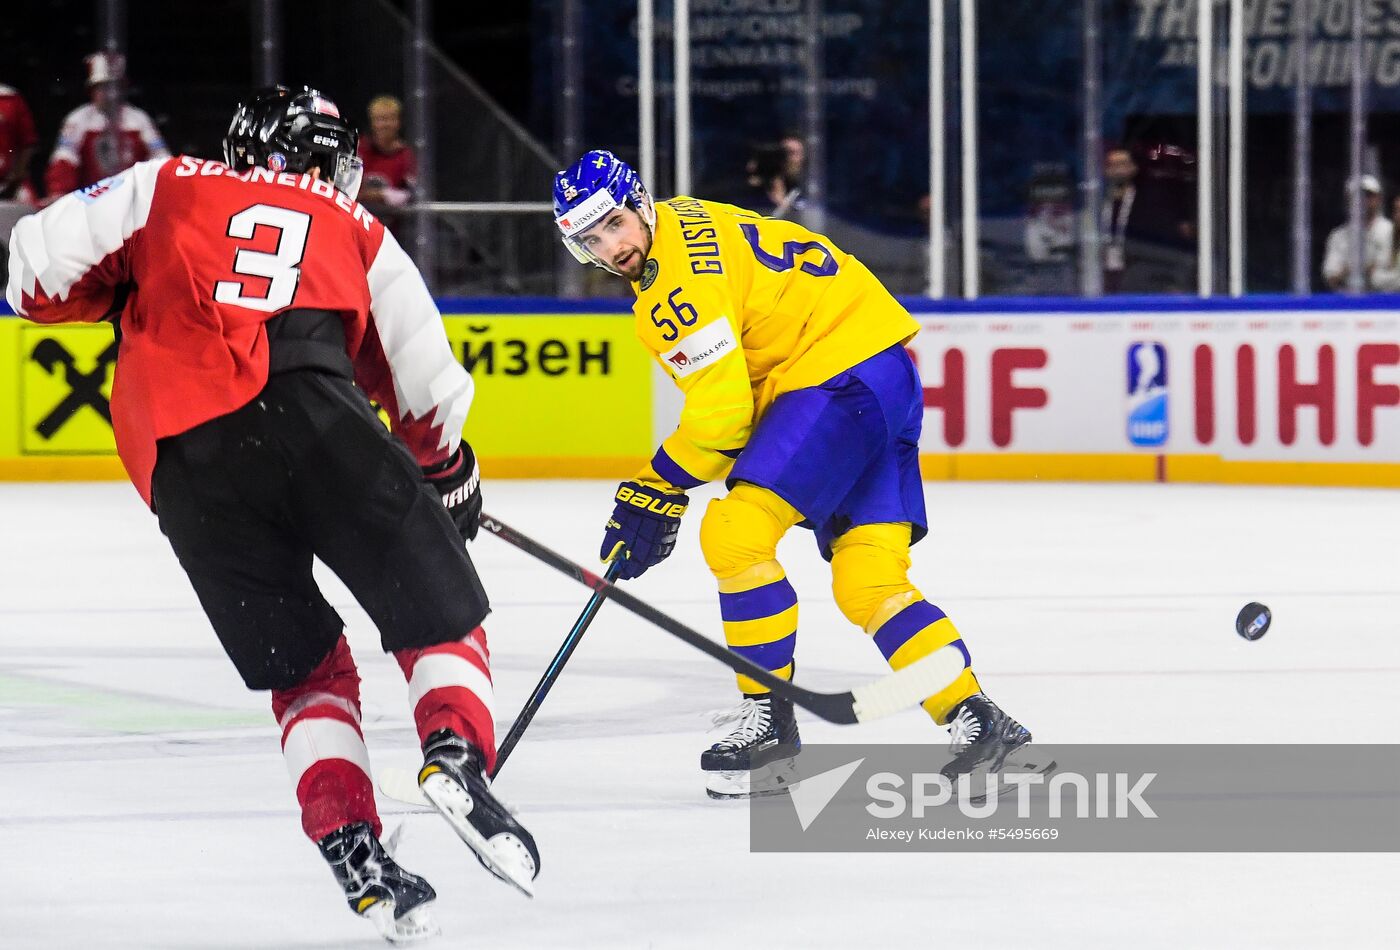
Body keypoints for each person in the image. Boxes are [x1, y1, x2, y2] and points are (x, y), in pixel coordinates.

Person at [7, 85, 538, 943]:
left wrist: (118, 293)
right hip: (313, 414)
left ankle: (353, 849)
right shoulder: (357, 226)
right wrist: (446, 473)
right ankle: (455, 758)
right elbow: (426, 378)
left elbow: (33, 270)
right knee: (442, 620)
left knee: (307, 673)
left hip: (185, 469)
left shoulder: (164, 181)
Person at [551, 150, 1041, 799]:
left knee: (735, 534)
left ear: (637, 203)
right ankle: (980, 722)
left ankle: (770, 730)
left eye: (613, 224)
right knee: (869, 579)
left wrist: (658, 483)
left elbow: (725, 415)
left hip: (832, 379)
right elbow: (741, 399)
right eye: (590, 240)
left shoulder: (673, 290)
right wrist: (665, 486)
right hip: (884, 373)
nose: (610, 246)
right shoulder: (685, 218)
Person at [357, 94, 418, 238]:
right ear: (372, 122)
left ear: (398, 122)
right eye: (379, 119)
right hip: (358, 229)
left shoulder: (406, 155)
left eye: (389, 119)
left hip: (393, 234)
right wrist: (379, 196)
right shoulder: (359, 149)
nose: (384, 125)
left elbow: (412, 196)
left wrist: (382, 195)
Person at [1322, 175, 1393, 291]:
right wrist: (1363, 268)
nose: (1363, 201)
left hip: (1388, 302)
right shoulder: (1338, 236)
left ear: (1378, 198)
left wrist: (1352, 269)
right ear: (1348, 200)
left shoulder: (1391, 231)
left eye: (1368, 195)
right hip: (1350, 303)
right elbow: (1332, 277)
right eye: (1356, 196)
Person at [0, 81, 38, 203]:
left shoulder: (11, 99)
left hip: (10, 183)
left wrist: (17, 175)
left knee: (29, 208)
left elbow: (28, 142)